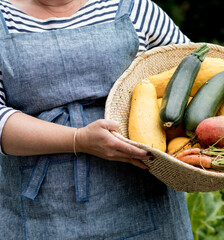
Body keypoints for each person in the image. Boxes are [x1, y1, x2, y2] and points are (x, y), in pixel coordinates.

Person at [0, 0, 194, 239]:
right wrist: (78, 139)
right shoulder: (3, 17)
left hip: (144, 204)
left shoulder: (136, 8)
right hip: (37, 215)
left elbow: (193, 73)